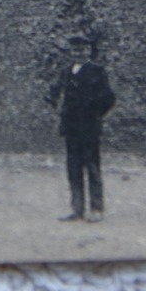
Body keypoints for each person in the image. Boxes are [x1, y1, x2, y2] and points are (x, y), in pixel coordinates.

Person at [47, 36, 115, 223]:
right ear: (70, 52)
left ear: (88, 51)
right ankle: (77, 209)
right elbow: (56, 93)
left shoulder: (97, 71)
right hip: (71, 128)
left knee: (92, 167)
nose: (79, 53)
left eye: (83, 50)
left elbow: (108, 98)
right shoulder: (66, 72)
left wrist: (94, 114)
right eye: (75, 50)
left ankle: (96, 209)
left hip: (89, 127)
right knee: (73, 169)